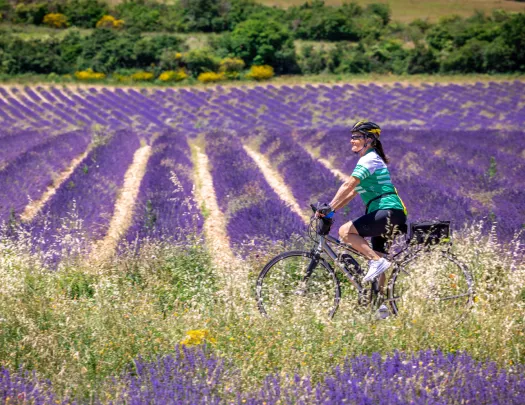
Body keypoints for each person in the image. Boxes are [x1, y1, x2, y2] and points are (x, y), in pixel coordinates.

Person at [316, 121, 407, 284]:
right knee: (378, 260)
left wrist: (329, 206)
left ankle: (377, 262)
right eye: (352, 137)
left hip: (387, 210)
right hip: (390, 212)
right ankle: (380, 302)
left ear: (369, 139)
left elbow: (348, 184)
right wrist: (330, 211)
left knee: (345, 232)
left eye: (356, 137)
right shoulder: (371, 159)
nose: (352, 140)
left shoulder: (369, 159)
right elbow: (351, 193)